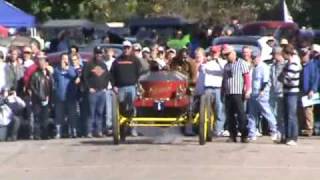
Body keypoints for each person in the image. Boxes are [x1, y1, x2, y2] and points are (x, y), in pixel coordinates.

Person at [110, 40, 141, 137]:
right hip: (121, 88)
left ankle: (133, 130)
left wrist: (138, 85)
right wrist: (114, 85)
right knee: (121, 110)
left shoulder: (135, 60)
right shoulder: (117, 61)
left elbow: (139, 73)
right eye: (125, 48)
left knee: (133, 109)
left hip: (132, 87)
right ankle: (122, 131)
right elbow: (111, 74)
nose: (126, 49)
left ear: (131, 48)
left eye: (128, 48)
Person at [221, 44, 250, 143]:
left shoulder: (242, 63)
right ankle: (232, 135)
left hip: (238, 93)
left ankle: (244, 135)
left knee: (241, 114)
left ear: (233, 53)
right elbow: (224, 80)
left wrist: (247, 90)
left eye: (228, 54)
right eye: (225, 55)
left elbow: (247, 78)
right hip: (228, 93)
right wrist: (222, 92)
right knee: (230, 116)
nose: (226, 57)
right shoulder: (226, 65)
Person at [247, 52, 278, 142]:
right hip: (253, 93)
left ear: (259, 57)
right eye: (252, 58)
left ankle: (274, 131)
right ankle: (251, 133)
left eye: (255, 58)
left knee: (267, 113)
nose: (253, 60)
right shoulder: (253, 67)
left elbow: (265, 80)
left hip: (262, 94)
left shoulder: (264, 67)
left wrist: (262, 91)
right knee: (251, 114)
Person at [196, 45, 226, 136]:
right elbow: (202, 69)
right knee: (205, 110)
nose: (213, 54)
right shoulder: (207, 62)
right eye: (212, 52)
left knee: (219, 110)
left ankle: (217, 130)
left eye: (215, 52)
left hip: (218, 88)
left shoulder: (223, 62)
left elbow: (224, 71)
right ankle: (206, 130)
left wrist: (217, 60)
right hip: (208, 88)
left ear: (219, 53)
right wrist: (206, 61)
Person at [83, 46, 110, 138]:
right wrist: (89, 87)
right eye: (97, 53)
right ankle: (89, 131)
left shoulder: (103, 65)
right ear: (94, 54)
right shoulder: (89, 64)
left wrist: (105, 87)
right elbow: (84, 77)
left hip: (102, 91)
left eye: (100, 53)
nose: (99, 55)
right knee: (91, 112)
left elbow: (107, 76)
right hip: (92, 92)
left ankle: (98, 131)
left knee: (100, 112)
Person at [278, 44, 302, 146]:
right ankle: (287, 136)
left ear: (287, 53)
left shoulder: (294, 64)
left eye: (283, 53)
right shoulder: (288, 63)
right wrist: (283, 76)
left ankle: (293, 137)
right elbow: (281, 77)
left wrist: (283, 77)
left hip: (292, 92)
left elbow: (288, 79)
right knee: (286, 115)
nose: (282, 55)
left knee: (291, 115)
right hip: (287, 91)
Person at [53, 53, 78, 138]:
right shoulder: (56, 70)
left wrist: (66, 69)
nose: (64, 60)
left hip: (70, 96)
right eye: (63, 58)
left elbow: (74, 76)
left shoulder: (72, 69)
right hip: (60, 97)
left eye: (66, 59)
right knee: (59, 116)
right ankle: (58, 132)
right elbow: (54, 80)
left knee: (72, 115)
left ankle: (73, 132)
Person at [30, 55, 53, 140]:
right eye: (40, 63)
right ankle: (37, 134)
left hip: (47, 99)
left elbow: (51, 86)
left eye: (44, 63)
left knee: (45, 117)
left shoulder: (49, 74)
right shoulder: (35, 74)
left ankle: (45, 134)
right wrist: (40, 96)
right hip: (38, 99)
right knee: (37, 117)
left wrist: (49, 97)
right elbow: (32, 87)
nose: (42, 65)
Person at [298, 47, 319, 136]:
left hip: (309, 92)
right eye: (302, 55)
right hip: (302, 91)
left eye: (305, 55)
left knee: (308, 111)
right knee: (301, 111)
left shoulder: (313, 65)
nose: (303, 57)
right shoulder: (302, 66)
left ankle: (309, 129)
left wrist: (313, 90)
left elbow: (316, 78)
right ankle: (303, 127)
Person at [269, 47, 286, 142]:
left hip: (283, 92)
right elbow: (271, 79)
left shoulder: (285, 65)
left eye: (274, 55)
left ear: (278, 54)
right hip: (274, 92)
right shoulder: (273, 66)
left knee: (282, 115)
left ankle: (283, 134)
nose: (273, 57)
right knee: (276, 114)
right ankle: (278, 134)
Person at [103, 48, 116, 135]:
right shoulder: (102, 63)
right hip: (106, 88)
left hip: (115, 88)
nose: (108, 54)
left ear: (112, 53)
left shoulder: (115, 62)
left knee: (115, 110)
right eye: (106, 52)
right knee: (107, 110)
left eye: (109, 52)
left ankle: (115, 127)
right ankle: (108, 128)